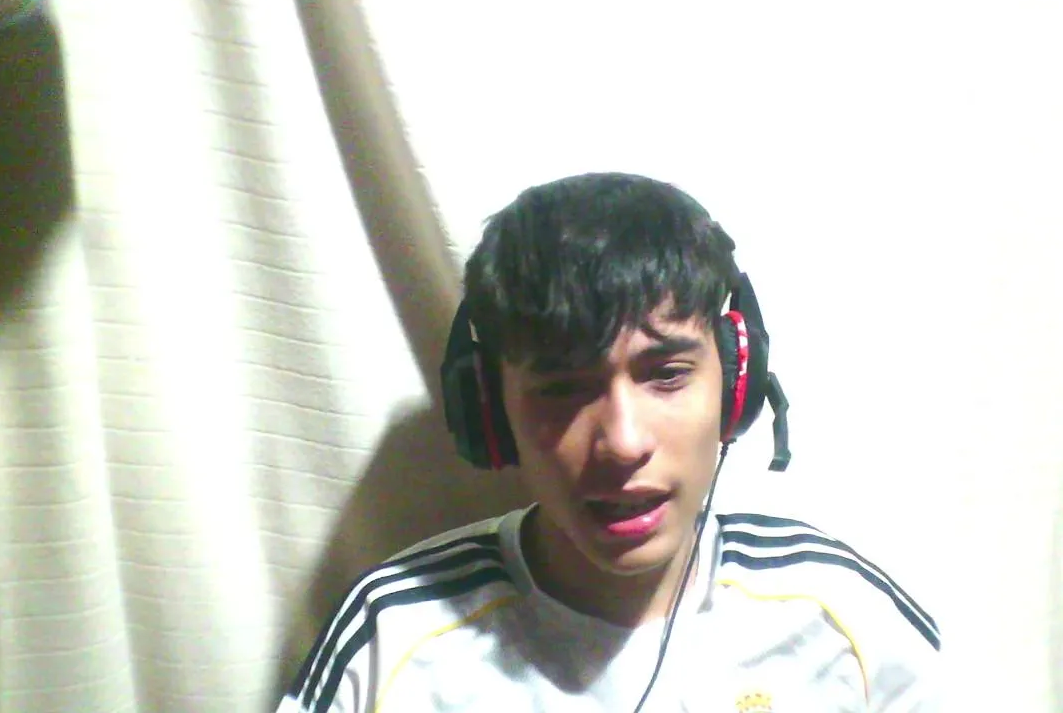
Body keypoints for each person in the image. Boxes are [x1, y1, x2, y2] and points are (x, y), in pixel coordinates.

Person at [276, 173, 941, 712]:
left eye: (666, 375)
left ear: (736, 383)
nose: (622, 443)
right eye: (563, 389)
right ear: (491, 411)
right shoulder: (390, 638)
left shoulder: (844, 614)